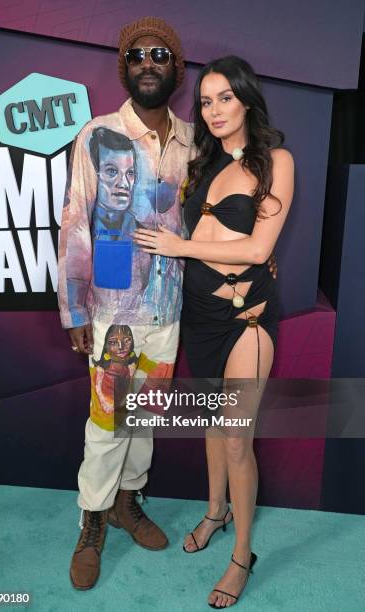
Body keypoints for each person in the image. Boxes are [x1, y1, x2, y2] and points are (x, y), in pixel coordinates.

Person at [134, 55, 294, 608]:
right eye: (206, 100)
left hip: (247, 318)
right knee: (209, 424)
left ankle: (242, 554)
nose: (215, 109)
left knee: (235, 437)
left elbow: (257, 250)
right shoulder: (198, 161)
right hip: (198, 317)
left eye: (225, 97)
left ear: (246, 100)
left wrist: (180, 247)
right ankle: (215, 513)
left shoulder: (276, 161)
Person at [57, 16, 194, 591]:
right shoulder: (98, 134)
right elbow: (75, 225)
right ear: (125, 66)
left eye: (159, 54)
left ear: (175, 69)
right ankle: (93, 519)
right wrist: (75, 310)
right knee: (107, 420)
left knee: (147, 416)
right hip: (113, 307)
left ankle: (128, 502)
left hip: (168, 305)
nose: (147, 63)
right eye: (137, 55)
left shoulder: (193, 139)